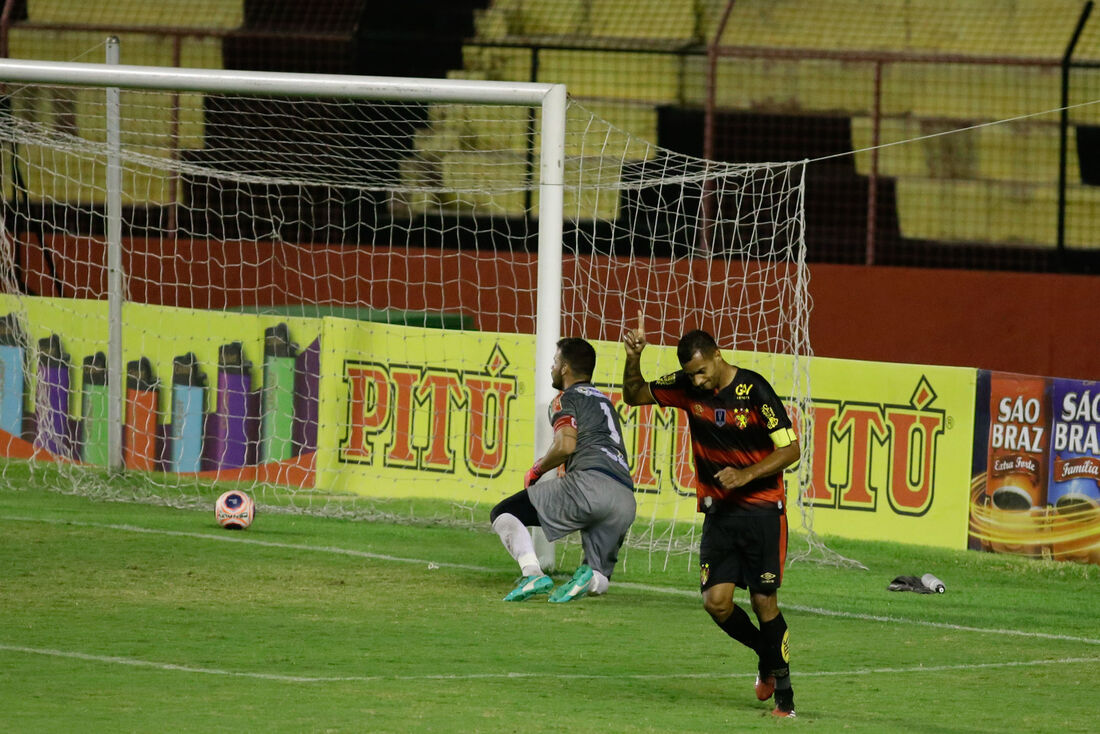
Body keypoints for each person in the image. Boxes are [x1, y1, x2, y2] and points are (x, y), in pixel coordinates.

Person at [621, 320, 800, 718]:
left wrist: (747, 474)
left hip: (762, 512)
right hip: (719, 514)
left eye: (702, 371)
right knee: (716, 603)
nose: (697, 381)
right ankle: (764, 653)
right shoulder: (685, 386)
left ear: (717, 355)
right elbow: (633, 394)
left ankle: (785, 696)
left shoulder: (754, 390)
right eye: (691, 374)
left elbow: (791, 449)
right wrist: (634, 359)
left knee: (762, 600)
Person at [490, 337, 637, 603]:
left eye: (555, 362)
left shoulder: (565, 399)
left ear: (566, 368)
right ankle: (587, 579)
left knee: (504, 512)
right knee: (599, 576)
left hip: (590, 486)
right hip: (625, 497)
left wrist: (536, 470)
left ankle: (532, 574)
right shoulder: (606, 402)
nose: (552, 368)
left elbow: (566, 445)